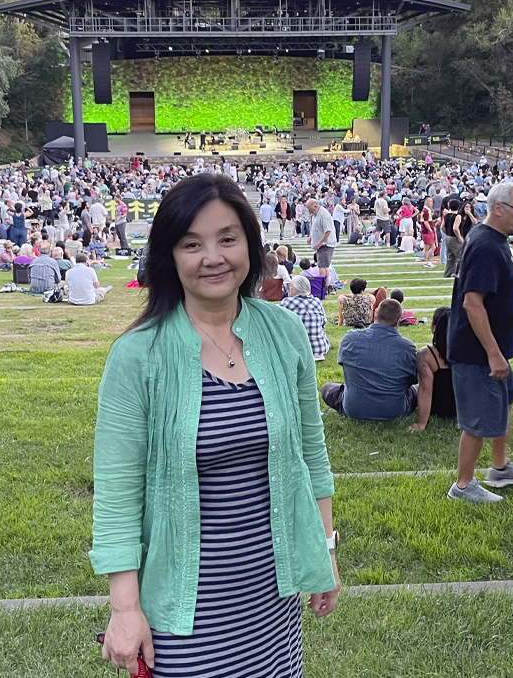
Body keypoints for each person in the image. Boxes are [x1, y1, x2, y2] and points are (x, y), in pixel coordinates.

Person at [92, 172, 339, 677]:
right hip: (185, 610)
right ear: (170, 256)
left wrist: (324, 551)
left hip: (272, 601)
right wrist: (124, 609)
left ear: (250, 244)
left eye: (228, 238)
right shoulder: (138, 355)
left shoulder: (283, 331)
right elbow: (117, 494)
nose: (213, 257)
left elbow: (311, 455)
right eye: (192, 244)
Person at [445, 181, 513, 503]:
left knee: (508, 396)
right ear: (498, 209)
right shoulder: (485, 245)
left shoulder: (492, 239)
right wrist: (494, 354)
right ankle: (463, 486)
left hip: (491, 350)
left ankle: (499, 467)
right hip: (478, 351)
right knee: (478, 422)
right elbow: (472, 303)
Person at [320, 298, 419, 420]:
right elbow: (412, 379)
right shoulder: (407, 347)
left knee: (327, 388)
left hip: (354, 409)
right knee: (419, 388)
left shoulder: (350, 338)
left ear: (375, 312)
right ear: (398, 321)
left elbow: (344, 365)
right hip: (394, 410)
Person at [408, 306, 456, 432]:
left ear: (434, 327)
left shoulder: (426, 354)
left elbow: (425, 388)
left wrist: (422, 423)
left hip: (438, 408)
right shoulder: (468, 351)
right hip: (463, 409)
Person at [280, 275, 330, 361]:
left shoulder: (287, 302)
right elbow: (323, 322)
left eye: (290, 286)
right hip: (319, 348)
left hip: (296, 350)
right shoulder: (317, 302)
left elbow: (273, 319)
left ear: (296, 289)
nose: (288, 288)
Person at [308, 197, 336, 282]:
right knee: (323, 265)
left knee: (322, 266)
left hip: (325, 245)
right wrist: (311, 236)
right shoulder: (315, 215)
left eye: (310, 210)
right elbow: (317, 228)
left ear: (315, 206)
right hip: (321, 245)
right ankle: (325, 286)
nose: (310, 212)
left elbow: (327, 231)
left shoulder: (324, 215)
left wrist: (319, 243)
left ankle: (321, 286)